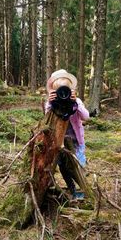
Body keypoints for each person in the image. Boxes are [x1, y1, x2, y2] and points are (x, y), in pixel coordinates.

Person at [45, 69, 89, 199]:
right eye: (59, 90)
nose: (62, 94)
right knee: (64, 168)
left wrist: (75, 103)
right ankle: (72, 189)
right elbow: (47, 118)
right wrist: (50, 103)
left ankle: (83, 190)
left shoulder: (76, 102)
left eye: (65, 89)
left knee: (78, 166)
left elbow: (86, 117)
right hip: (59, 143)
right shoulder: (51, 103)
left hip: (76, 143)